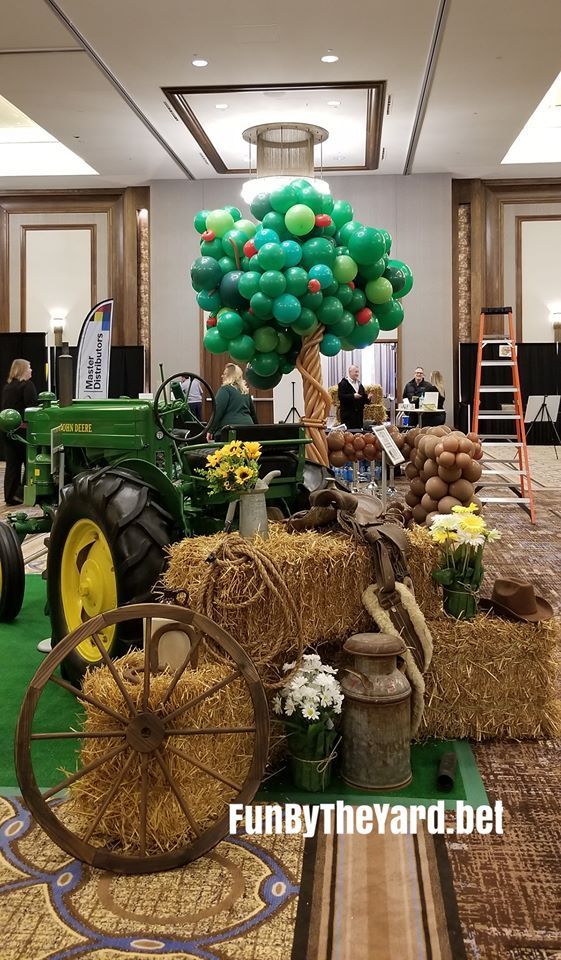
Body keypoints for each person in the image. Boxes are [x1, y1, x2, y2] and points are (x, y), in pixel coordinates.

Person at [1, 358, 38, 505]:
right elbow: (32, 408)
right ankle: (25, 493)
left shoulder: (7, 387)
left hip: (7, 430)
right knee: (30, 463)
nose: (31, 370)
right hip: (23, 431)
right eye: (29, 368)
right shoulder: (27, 386)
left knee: (12, 464)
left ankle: (10, 496)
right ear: (22, 370)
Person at [207, 363, 258, 440]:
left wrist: (210, 430)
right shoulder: (244, 392)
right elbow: (253, 414)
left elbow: (218, 411)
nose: (222, 376)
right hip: (248, 429)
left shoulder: (225, 389)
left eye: (224, 374)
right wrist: (257, 429)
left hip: (229, 431)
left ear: (229, 376)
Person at [337, 365, 373, 429]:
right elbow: (341, 397)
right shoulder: (343, 383)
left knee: (358, 434)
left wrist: (368, 399)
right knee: (349, 435)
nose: (357, 374)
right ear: (350, 372)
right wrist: (353, 396)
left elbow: (363, 398)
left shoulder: (359, 384)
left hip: (358, 416)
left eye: (358, 372)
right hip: (348, 415)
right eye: (355, 372)